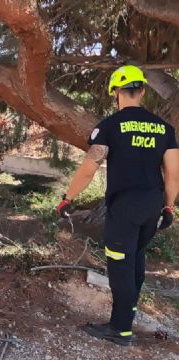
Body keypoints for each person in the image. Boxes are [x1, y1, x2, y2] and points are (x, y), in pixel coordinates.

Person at [56, 65, 179, 346]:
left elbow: (89, 168)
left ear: (116, 93)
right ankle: (127, 316)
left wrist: (68, 198)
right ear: (142, 92)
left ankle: (120, 329)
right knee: (136, 260)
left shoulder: (110, 126)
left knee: (120, 267)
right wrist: (169, 207)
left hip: (124, 209)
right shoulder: (165, 129)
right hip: (152, 206)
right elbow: (173, 173)